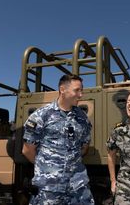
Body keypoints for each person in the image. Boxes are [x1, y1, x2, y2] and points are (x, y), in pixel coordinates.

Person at [22, 74, 95, 205]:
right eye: (77, 90)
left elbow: (84, 147)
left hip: (77, 186)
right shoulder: (41, 116)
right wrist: (48, 169)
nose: (80, 95)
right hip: (49, 188)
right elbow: (27, 150)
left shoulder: (82, 118)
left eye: (81, 90)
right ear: (62, 89)